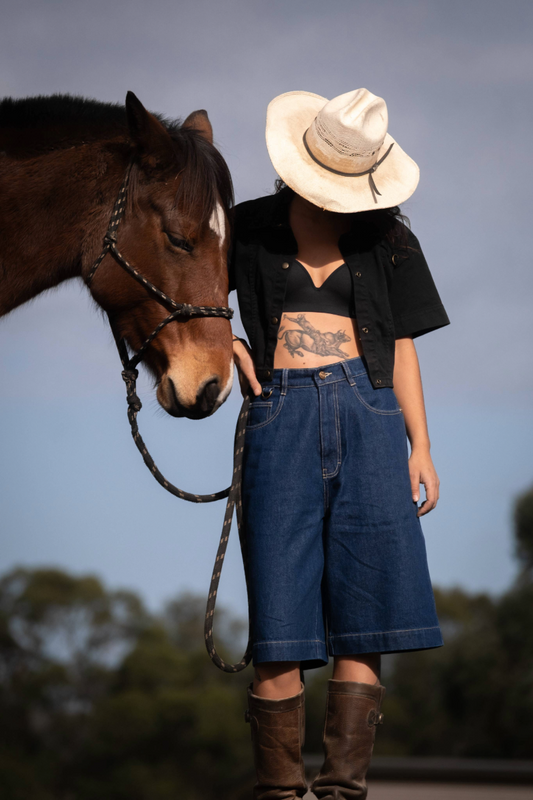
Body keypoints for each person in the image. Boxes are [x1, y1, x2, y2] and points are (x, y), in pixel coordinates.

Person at [229, 88, 450, 800]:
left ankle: (343, 792)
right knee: (279, 627)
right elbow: (185, 299)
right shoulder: (245, 229)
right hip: (279, 416)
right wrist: (233, 345)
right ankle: (278, 792)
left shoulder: (388, 238)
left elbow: (405, 346)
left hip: (372, 416)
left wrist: (420, 445)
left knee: (366, 620)